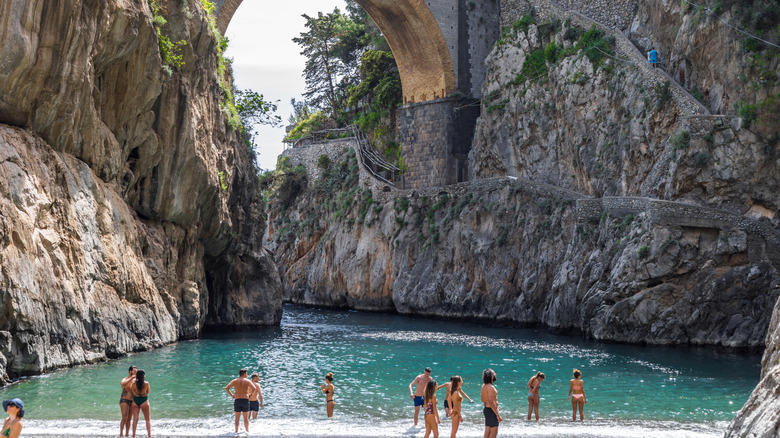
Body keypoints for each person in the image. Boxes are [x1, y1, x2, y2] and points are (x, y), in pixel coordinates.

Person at [225, 369, 254, 433]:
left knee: (237, 418)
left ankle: (236, 431)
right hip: (245, 400)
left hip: (237, 400)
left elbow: (226, 388)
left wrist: (232, 395)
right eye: (246, 373)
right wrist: (250, 395)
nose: (247, 375)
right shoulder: (247, 381)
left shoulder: (235, 381)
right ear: (244, 374)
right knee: (246, 418)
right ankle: (247, 431)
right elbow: (254, 388)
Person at [130, 369, 151, 438]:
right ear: (144, 376)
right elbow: (148, 392)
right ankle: (149, 436)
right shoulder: (146, 383)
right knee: (147, 419)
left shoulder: (133, 383)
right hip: (144, 400)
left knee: (135, 419)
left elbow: (132, 391)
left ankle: (133, 436)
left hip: (136, 400)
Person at [481, 369, 501, 438]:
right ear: (491, 376)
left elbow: (483, 400)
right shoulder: (491, 387)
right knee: (494, 432)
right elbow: (491, 402)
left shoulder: (484, 386)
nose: (495, 374)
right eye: (494, 373)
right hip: (491, 411)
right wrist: (498, 415)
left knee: (487, 430)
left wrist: (496, 406)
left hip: (486, 409)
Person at [119, 366, 137, 437]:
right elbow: (122, 383)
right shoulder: (126, 379)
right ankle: (121, 433)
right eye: (135, 371)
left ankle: (127, 434)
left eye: (136, 372)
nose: (136, 373)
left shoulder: (135, 380)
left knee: (129, 418)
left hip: (132, 401)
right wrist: (131, 378)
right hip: (124, 400)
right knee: (124, 417)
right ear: (130, 372)